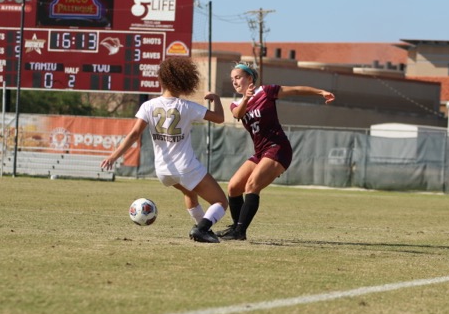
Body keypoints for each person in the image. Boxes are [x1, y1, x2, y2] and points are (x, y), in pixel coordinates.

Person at [101, 57, 227, 244]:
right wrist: (216, 99)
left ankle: (204, 230)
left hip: (163, 171)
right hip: (186, 167)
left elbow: (134, 134)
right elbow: (219, 118)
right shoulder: (187, 107)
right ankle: (202, 229)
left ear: (162, 79)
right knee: (221, 202)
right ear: (185, 81)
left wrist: (113, 156)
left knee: (190, 194)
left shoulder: (148, 106)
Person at [217, 62, 335, 241]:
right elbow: (238, 115)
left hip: (277, 148)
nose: (235, 81)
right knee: (233, 187)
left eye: (238, 77)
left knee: (252, 185)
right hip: (260, 152)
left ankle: (240, 231)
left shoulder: (266, 91)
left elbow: (294, 90)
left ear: (250, 78)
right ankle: (236, 228)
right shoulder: (236, 103)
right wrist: (246, 99)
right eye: (232, 79)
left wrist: (320, 92)